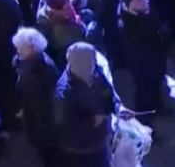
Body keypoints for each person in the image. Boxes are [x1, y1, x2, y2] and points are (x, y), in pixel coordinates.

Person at [54, 42, 119, 167]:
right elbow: (63, 125)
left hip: (99, 140)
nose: (94, 62)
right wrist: (93, 121)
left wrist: (114, 106)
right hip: (80, 149)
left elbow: (107, 92)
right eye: (91, 60)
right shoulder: (63, 92)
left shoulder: (95, 72)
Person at [14, 28, 61, 167]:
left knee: (47, 152)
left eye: (20, 47)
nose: (18, 51)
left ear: (32, 47)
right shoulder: (28, 61)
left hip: (43, 121)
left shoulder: (43, 69)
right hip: (35, 116)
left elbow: (45, 101)